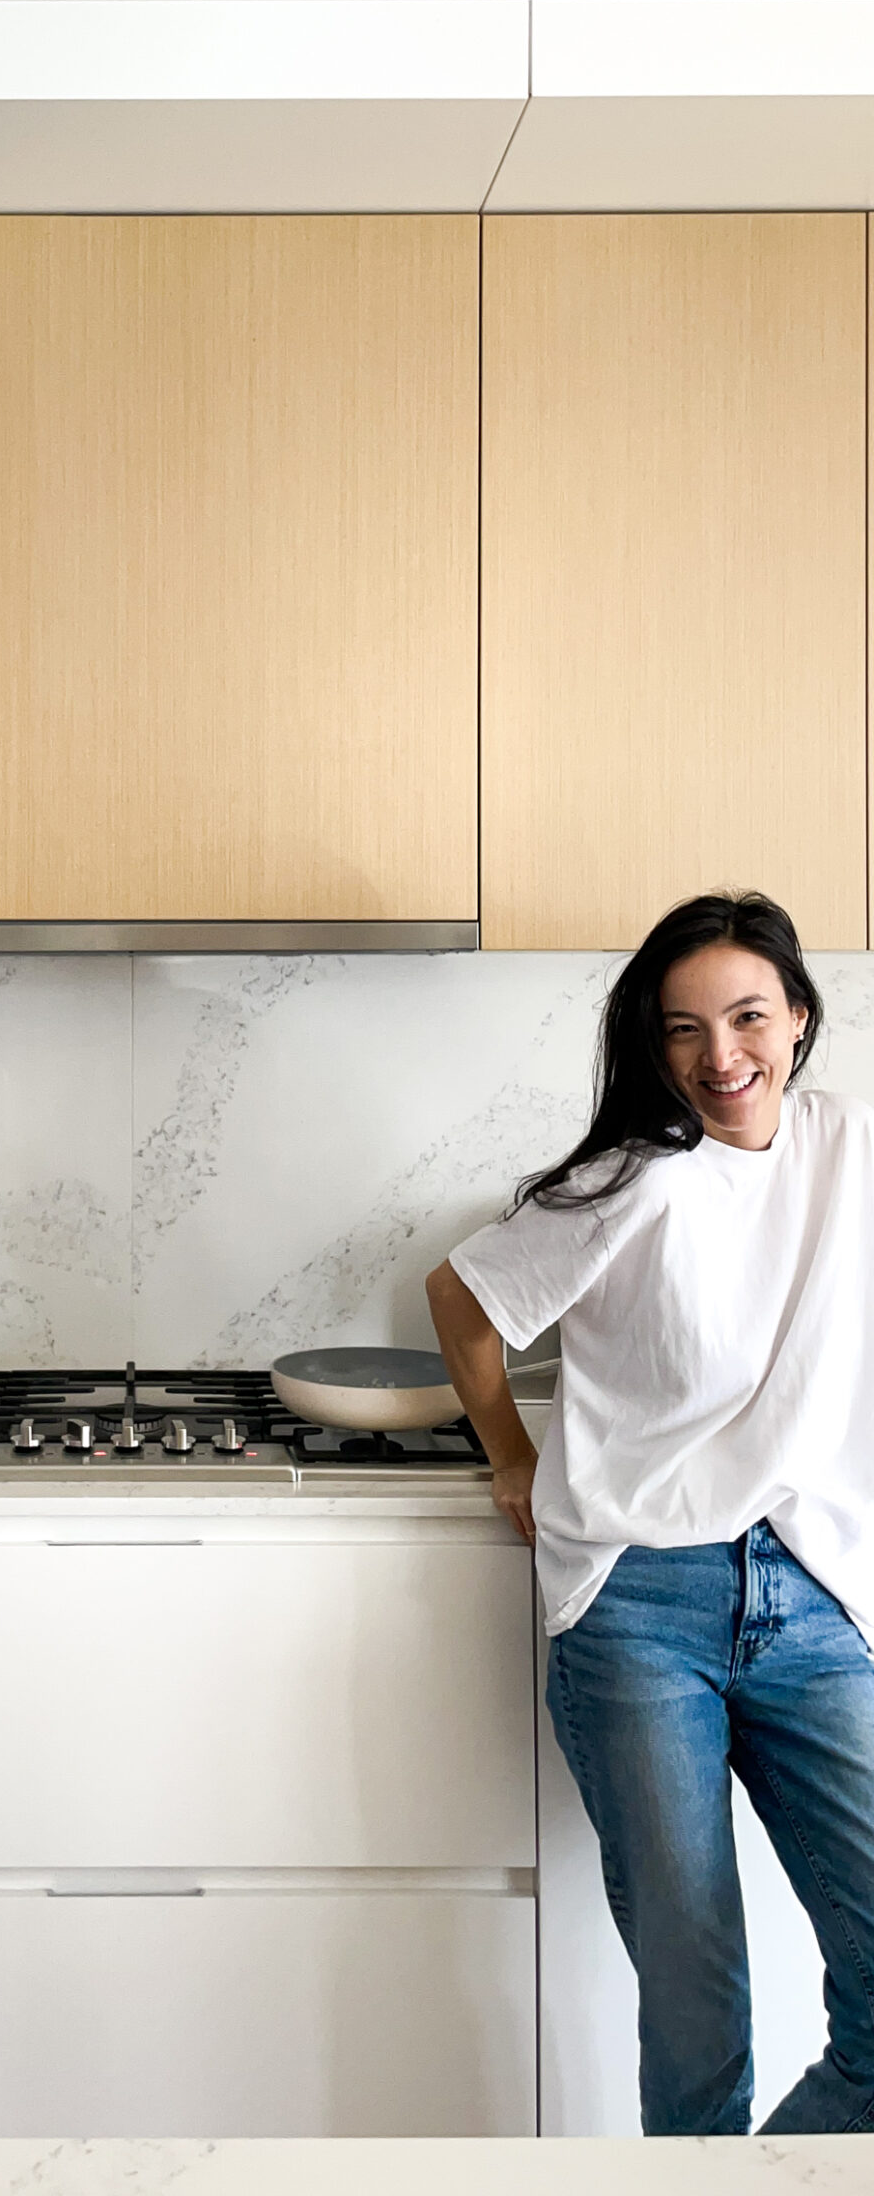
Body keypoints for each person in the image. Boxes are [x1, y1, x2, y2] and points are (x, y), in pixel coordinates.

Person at [425, 891, 874, 2137]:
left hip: (815, 1590)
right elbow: (460, 1301)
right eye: (683, 1030)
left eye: (745, 1016)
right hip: (638, 1605)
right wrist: (511, 1454)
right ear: (652, 1044)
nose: (719, 1056)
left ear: (797, 1015)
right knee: (697, 2006)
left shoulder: (853, 1148)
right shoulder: (634, 1176)